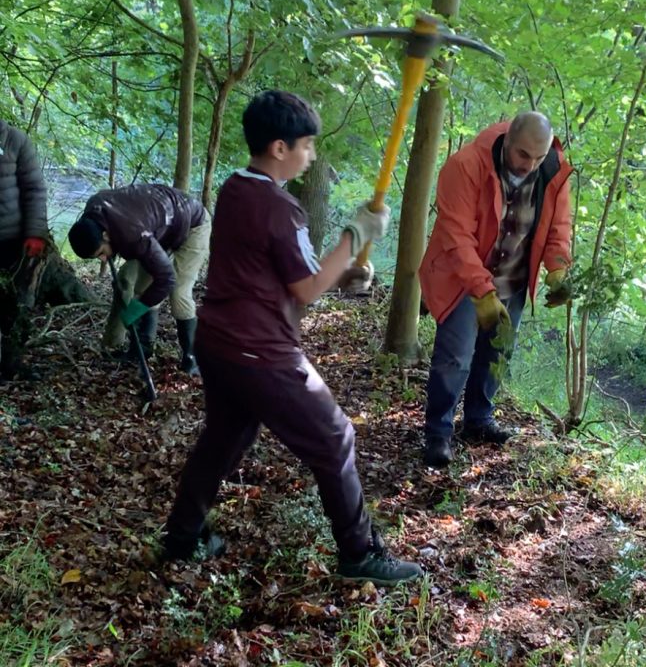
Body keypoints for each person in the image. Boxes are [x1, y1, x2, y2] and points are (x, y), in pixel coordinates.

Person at [162, 90, 423, 586]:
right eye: (307, 145)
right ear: (279, 148)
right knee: (335, 436)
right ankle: (359, 553)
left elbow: (279, 272)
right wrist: (354, 234)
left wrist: (341, 273)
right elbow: (306, 289)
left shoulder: (235, 189)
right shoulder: (280, 208)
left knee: (224, 438)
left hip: (218, 343)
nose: (313, 155)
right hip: (259, 352)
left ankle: (182, 535)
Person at [418, 112, 574, 468]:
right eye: (523, 155)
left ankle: (478, 420)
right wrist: (482, 292)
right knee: (455, 357)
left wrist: (557, 270)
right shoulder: (466, 166)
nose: (530, 165)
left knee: (497, 353)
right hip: (462, 278)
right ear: (508, 140)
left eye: (538, 157)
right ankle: (438, 432)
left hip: (513, 278)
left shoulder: (552, 171)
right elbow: (457, 237)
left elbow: (559, 227)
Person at [67, 184, 211, 375]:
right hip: (159, 229)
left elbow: (166, 279)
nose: (103, 259)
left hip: (192, 225)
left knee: (178, 293)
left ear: (105, 235)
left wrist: (138, 307)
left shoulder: (133, 235)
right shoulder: (93, 213)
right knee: (143, 288)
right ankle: (141, 350)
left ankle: (192, 359)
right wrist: (141, 302)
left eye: (101, 253)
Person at [0, 118, 49, 380]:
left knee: (13, 306)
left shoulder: (15, 140)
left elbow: (35, 189)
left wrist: (35, 232)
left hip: (11, 240)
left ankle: (11, 364)